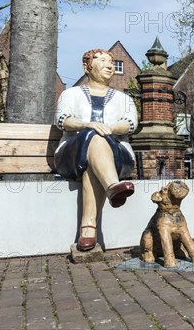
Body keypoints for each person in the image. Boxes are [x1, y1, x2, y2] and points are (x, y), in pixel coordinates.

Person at [54, 49, 138, 251]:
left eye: (111, 62)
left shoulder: (124, 98)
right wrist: (87, 125)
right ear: (87, 66)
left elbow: (130, 123)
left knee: (95, 153)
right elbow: (62, 120)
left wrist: (110, 129)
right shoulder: (70, 94)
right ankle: (111, 187)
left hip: (118, 155)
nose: (109, 65)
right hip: (72, 155)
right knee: (92, 136)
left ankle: (88, 229)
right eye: (102, 61)